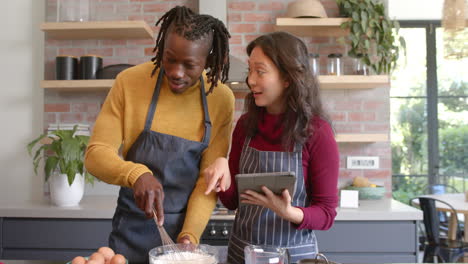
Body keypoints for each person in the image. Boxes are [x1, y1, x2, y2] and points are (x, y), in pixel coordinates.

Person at [84, 6, 234, 264]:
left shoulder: (219, 98)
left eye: (189, 65)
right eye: (170, 58)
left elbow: (206, 182)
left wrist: (189, 237)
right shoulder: (129, 83)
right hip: (130, 231)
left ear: (207, 63)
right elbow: (96, 155)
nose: (176, 72)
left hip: (181, 239)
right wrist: (137, 174)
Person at [204, 31, 339, 264]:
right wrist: (220, 168)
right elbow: (232, 201)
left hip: (293, 257)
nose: (251, 80)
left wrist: (288, 212)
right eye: (250, 71)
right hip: (242, 254)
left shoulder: (317, 132)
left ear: (287, 78)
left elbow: (326, 214)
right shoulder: (246, 126)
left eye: (260, 71)